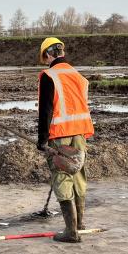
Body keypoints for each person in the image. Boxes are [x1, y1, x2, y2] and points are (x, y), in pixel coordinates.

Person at [36, 37, 94, 243]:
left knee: (62, 177)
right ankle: (80, 224)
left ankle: (71, 232)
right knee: (78, 174)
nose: (45, 61)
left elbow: (46, 111)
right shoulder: (78, 76)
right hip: (80, 133)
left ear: (48, 54)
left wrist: (42, 140)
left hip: (60, 135)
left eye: (45, 57)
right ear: (62, 52)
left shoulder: (49, 76)